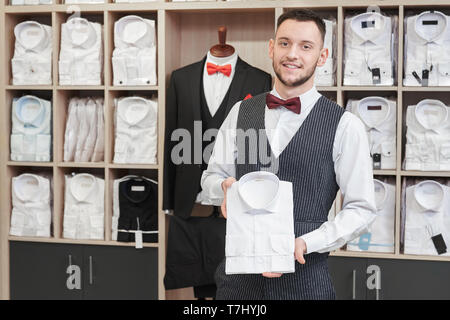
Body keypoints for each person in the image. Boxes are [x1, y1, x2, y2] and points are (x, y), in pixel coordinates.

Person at [200, 9, 377, 300]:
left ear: (321, 57)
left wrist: (307, 242)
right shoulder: (240, 112)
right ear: (271, 48)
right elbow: (210, 178)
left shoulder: (346, 126)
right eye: (284, 43)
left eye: (305, 46)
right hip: (238, 285)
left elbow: (361, 209)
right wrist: (223, 188)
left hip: (306, 283)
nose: (292, 54)